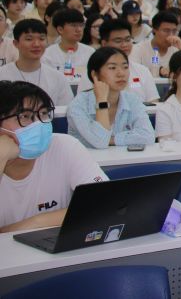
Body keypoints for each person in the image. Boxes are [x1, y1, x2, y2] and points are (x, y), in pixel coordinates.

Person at [0, 81, 108, 233]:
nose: (39, 124)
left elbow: (105, 202)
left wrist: (32, 223)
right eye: (25, 116)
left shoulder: (64, 146)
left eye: (44, 114)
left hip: (53, 245)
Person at [67, 47, 155, 149]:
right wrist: (101, 101)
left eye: (125, 67)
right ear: (95, 74)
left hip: (120, 158)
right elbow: (100, 142)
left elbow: (148, 136)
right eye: (112, 68)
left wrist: (111, 139)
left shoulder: (132, 100)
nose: (121, 73)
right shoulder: (78, 105)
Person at [0, 19, 74, 106]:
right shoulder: (2, 74)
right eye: (29, 39)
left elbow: (66, 109)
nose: (36, 44)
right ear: (16, 43)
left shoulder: (58, 78)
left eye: (41, 39)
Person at [41, 8, 95, 79]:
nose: (79, 29)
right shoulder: (48, 55)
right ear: (60, 29)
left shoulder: (90, 52)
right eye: (73, 25)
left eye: (81, 25)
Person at [131, 11, 181, 77]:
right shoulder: (138, 50)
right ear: (154, 30)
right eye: (166, 31)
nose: (171, 35)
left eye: (174, 31)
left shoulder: (176, 50)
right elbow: (134, 75)